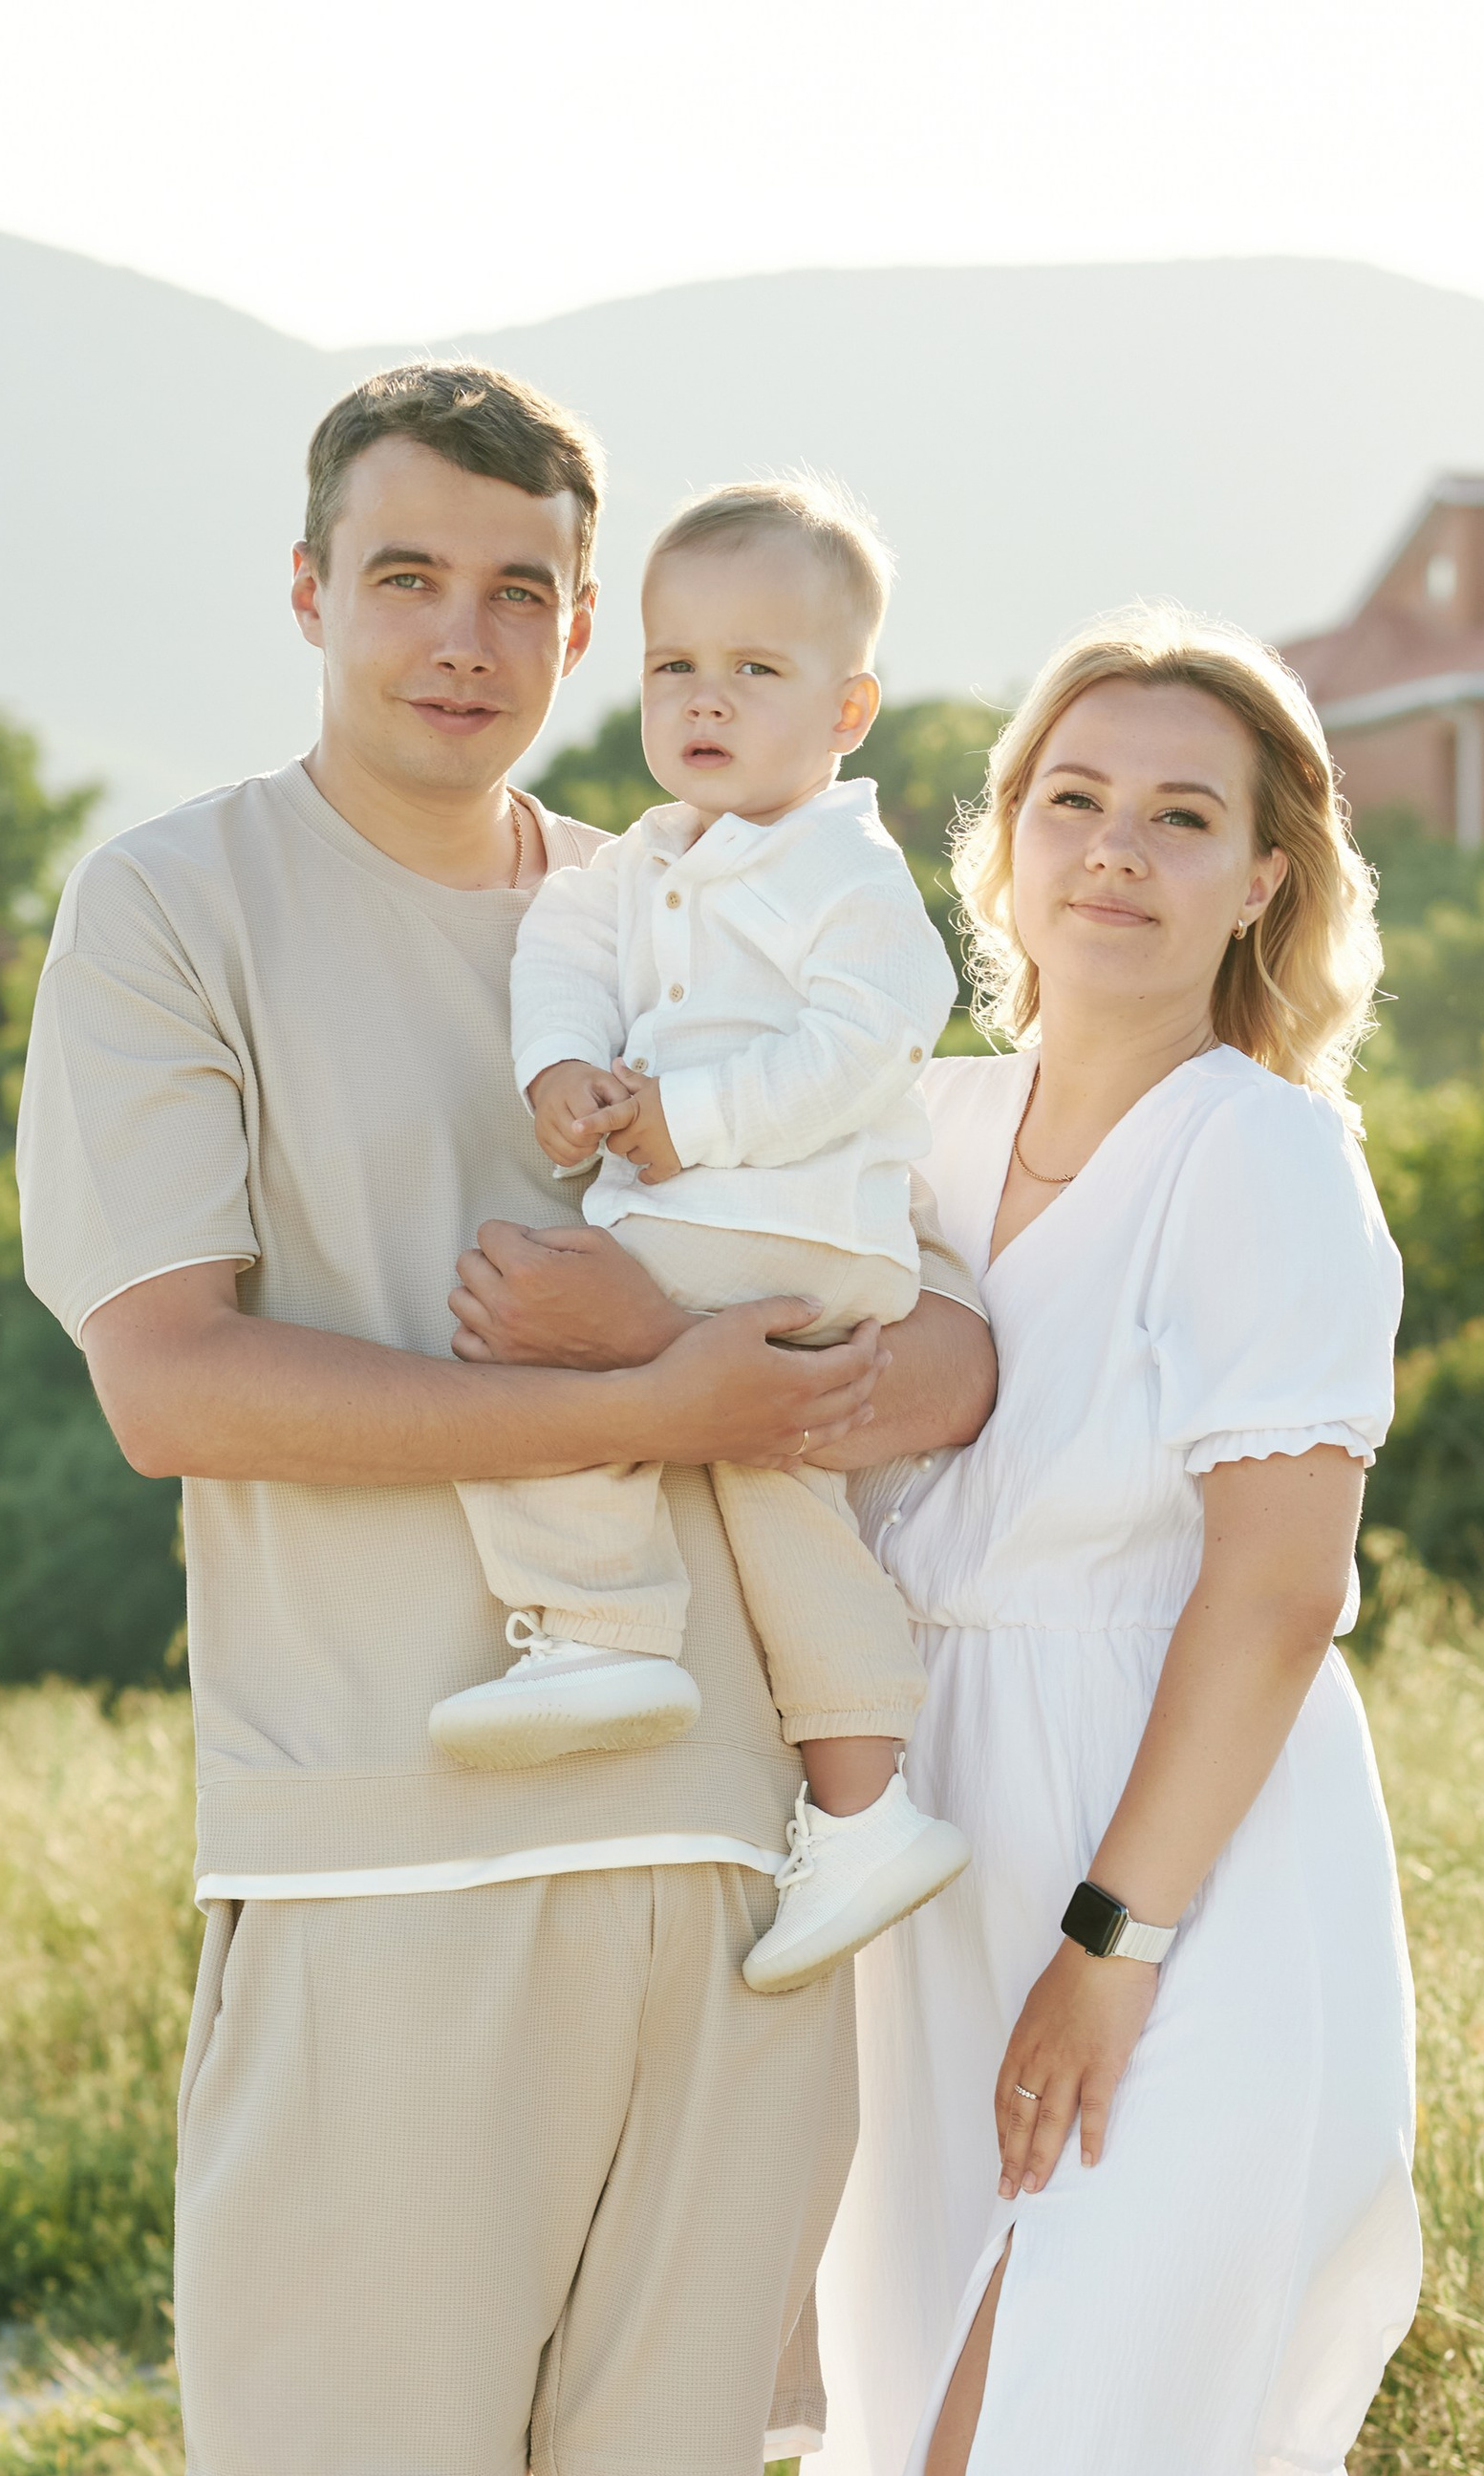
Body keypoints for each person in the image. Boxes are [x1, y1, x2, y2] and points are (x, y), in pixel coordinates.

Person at [16, 359, 994, 2476]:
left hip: (736, 1835)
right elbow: (179, 1377)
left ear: (592, 623)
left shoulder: (704, 896)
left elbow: (939, 1315)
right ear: (305, 586)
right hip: (376, 1829)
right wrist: (643, 1411)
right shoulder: (177, 898)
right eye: (409, 576)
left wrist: (877, 1379)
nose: (469, 638)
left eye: (520, 593)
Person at [744, 608, 1421, 2476]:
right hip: (943, 1856)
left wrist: (1115, 1945)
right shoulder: (907, 1130)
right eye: (1077, 797)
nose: (1120, 851)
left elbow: (1273, 1586)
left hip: (1191, 1864)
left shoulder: (1267, 1158)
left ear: (1268, 880)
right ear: (997, 836)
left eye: (1186, 813)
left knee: (1083, 2464)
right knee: (980, 2461)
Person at [433, 476, 967, 1995]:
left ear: (849, 706)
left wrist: (692, 1123)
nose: (706, 700)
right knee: (775, 1501)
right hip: (731, 1220)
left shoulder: (841, 871)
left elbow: (875, 1036)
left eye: (757, 670)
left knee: (536, 1331)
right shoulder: (635, 864)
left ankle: (602, 1626)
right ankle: (866, 1811)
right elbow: (561, 958)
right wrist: (560, 1078)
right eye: (676, 667)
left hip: (786, 1219)